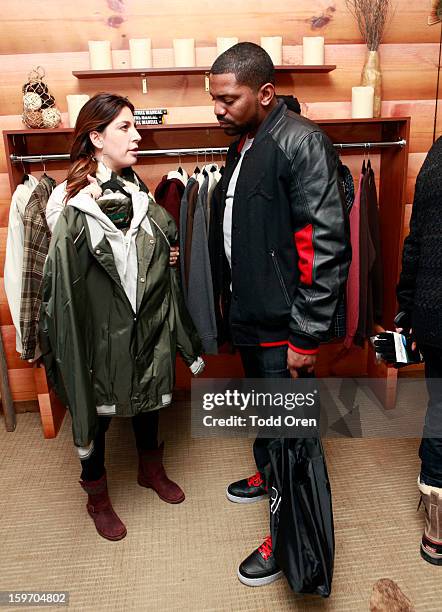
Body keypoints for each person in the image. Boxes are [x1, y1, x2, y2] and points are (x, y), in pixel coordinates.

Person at [208, 43, 350, 585]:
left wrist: (307, 336)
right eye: (214, 99)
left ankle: (291, 549)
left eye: (228, 99)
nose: (218, 109)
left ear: (264, 93)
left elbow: (326, 245)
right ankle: (269, 479)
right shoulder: (244, 142)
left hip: (283, 325)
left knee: (295, 439)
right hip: (250, 312)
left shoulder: (301, 142)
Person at [41, 93, 204, 541]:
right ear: (96, 137)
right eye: (125, 128)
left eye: (136, 126)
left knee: (149, 390)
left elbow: (144, 247)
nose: (137, 136)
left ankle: (150, 469)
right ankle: (97, 497)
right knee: (95, 412)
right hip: (98, 330)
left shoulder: (139, 190)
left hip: (143, 315)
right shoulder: (66, 201)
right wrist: (80, 207)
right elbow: (63, 272)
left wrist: (164, 256)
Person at [396, 136, 442, 566]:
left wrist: (407, 306)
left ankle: (436, 529)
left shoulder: (437, 154)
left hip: (432, 312)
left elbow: (415, 241)